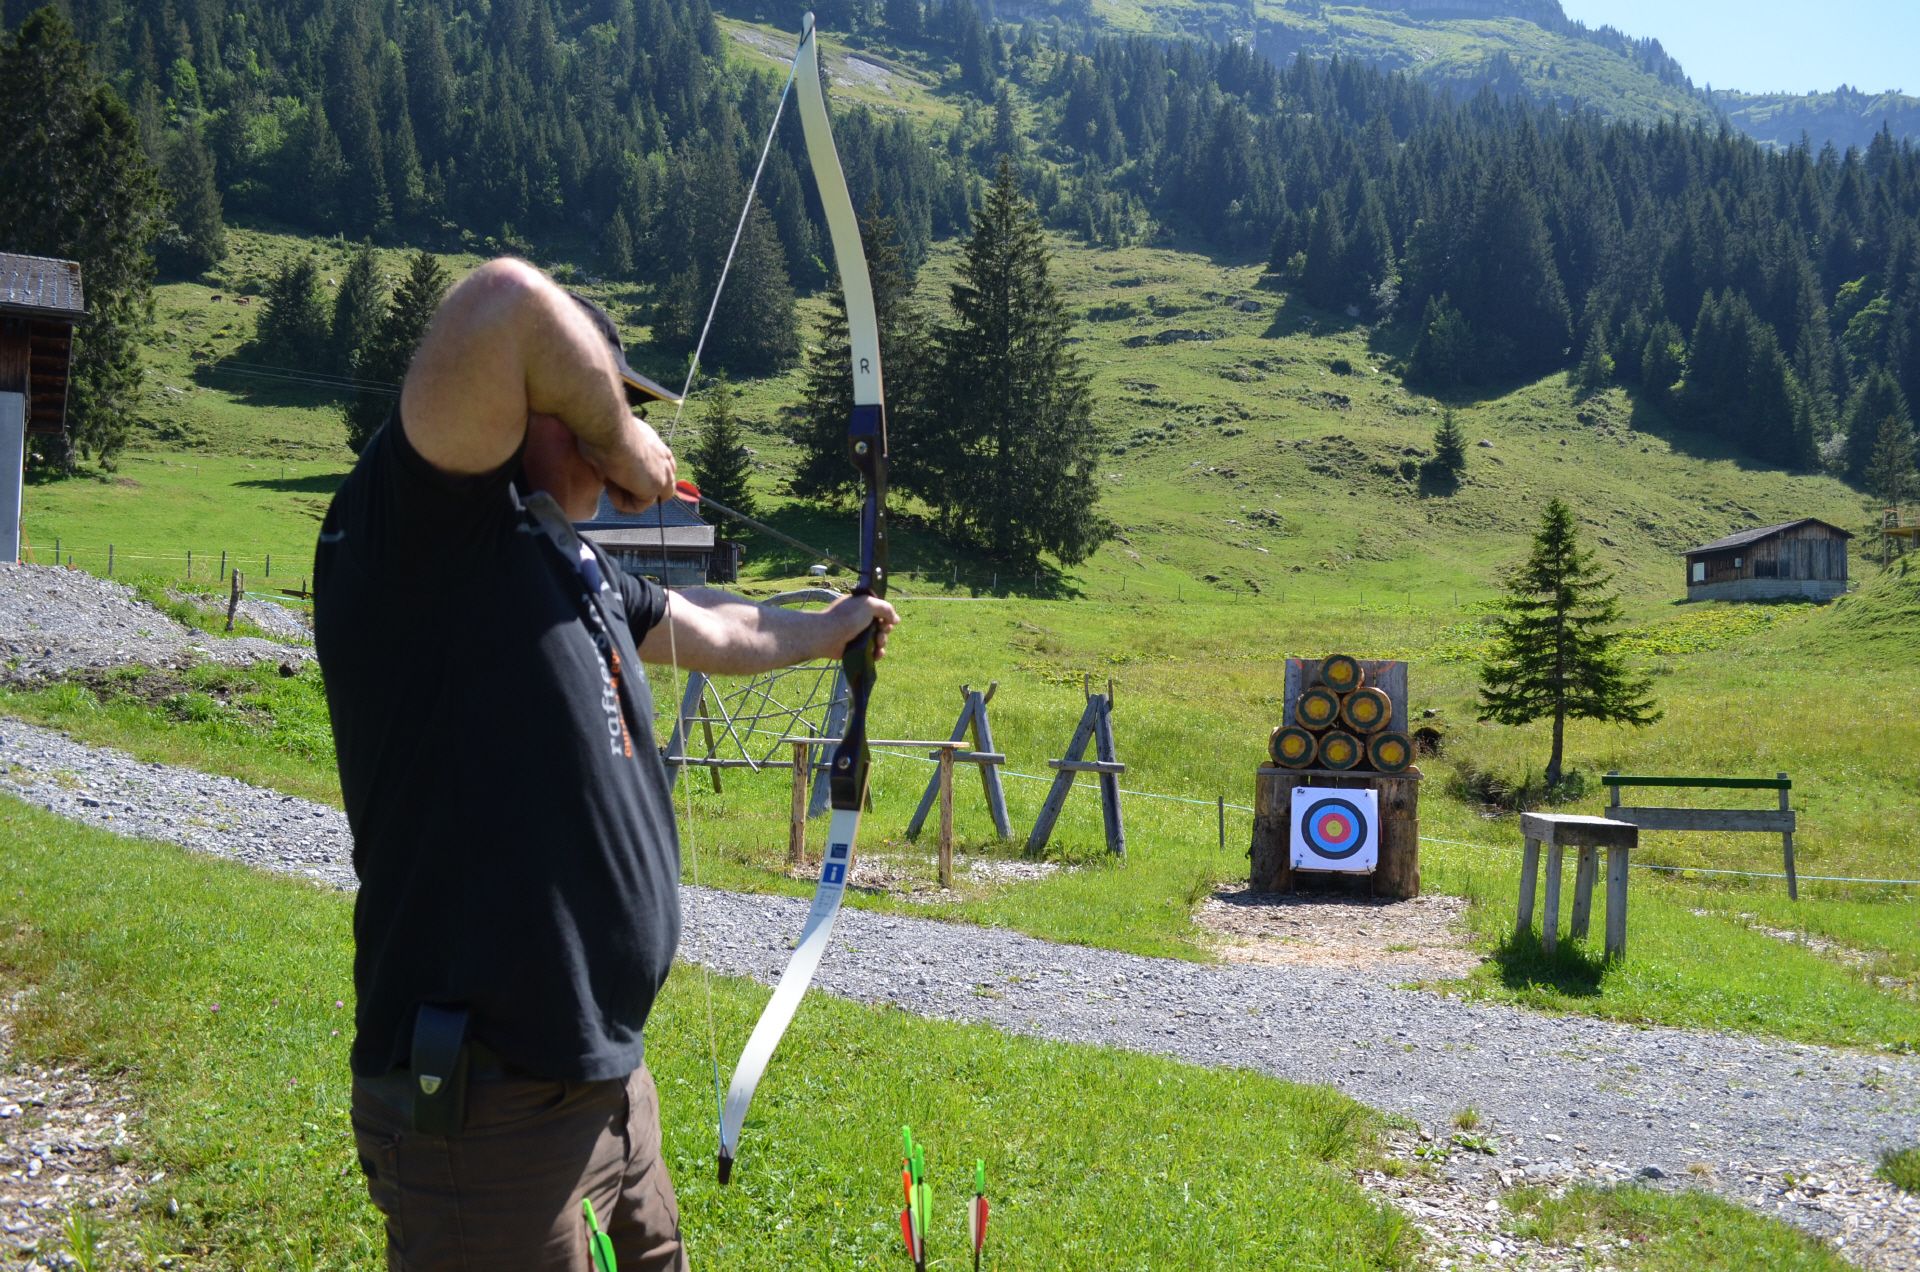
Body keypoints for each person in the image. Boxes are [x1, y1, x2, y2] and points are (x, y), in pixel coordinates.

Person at [314, 258, 896, 1270]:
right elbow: (502, 303)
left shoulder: (560, 557)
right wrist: (633, 448)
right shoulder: (428, 534)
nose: (627, 428)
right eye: (611, 400)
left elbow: (714, 626)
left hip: (608, 1082)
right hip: (490, 1112)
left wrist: (829, 629)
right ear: (556, 403)